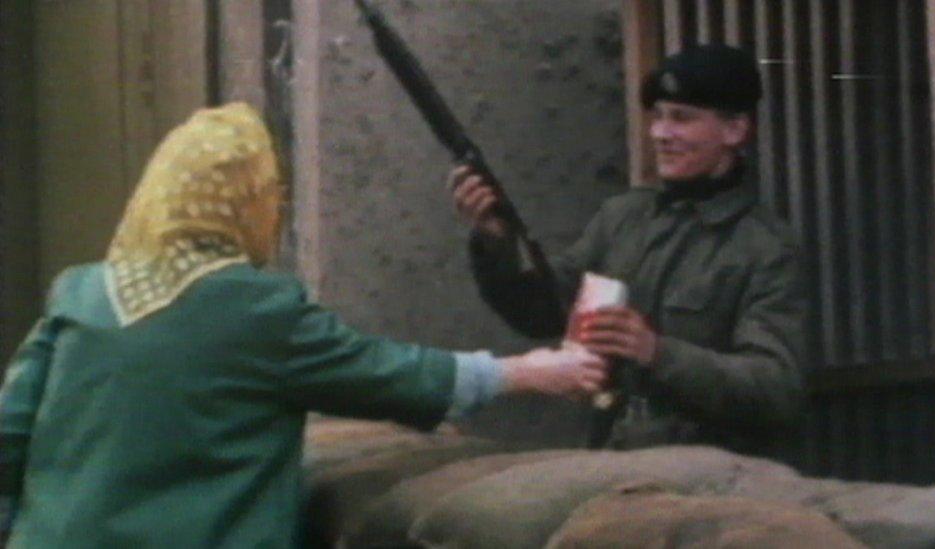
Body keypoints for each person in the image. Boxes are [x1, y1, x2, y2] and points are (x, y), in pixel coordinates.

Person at [0, 103, 608, 548]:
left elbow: (10, 433)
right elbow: (387, 374)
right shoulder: (255, 308)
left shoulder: (79, 293)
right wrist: (522, 373)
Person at [450, 44, 807, 454]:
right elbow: (541, 312)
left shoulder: (765, 248)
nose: (660, 133)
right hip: (609, 457)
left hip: (709, 477)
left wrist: (657, 352)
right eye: (658, 117)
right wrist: (496, 241)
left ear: (735, 130)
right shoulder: (622, 219)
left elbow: (777, 390)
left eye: (682, 118)